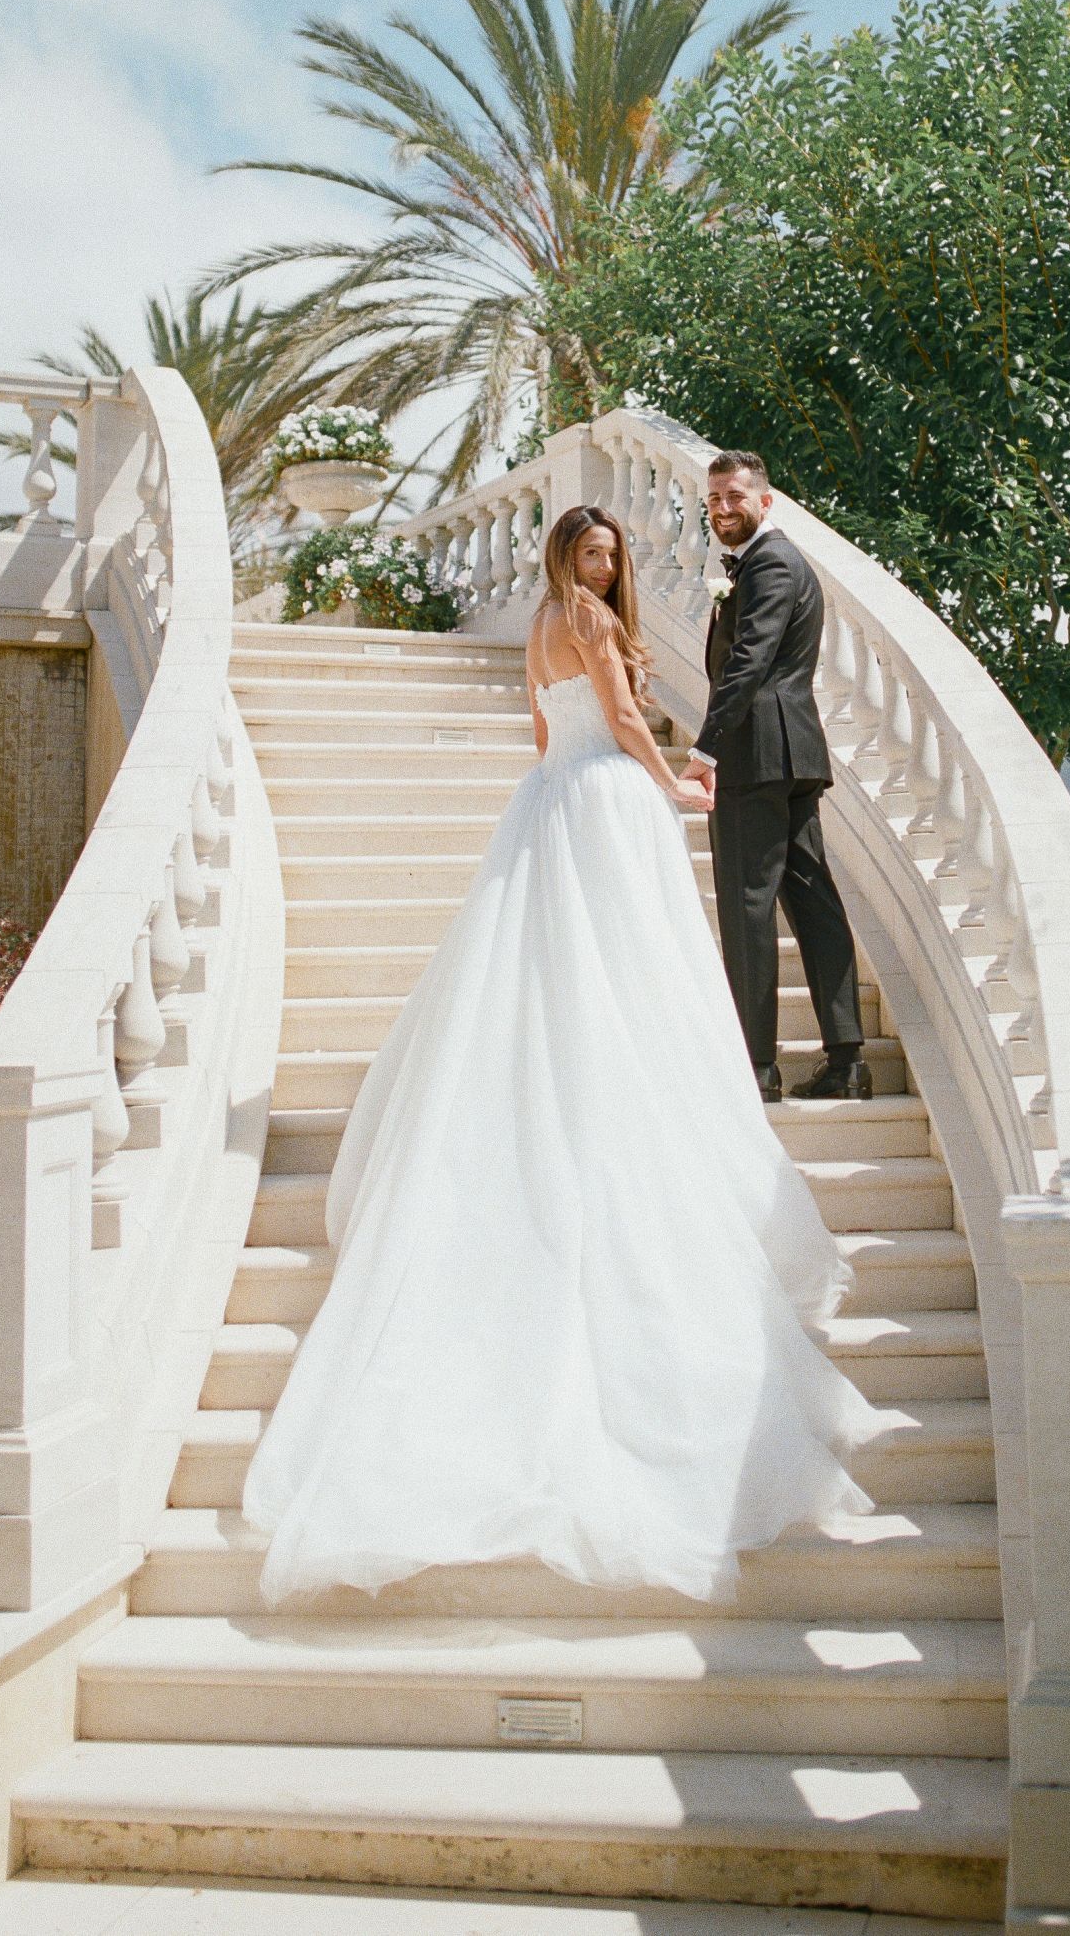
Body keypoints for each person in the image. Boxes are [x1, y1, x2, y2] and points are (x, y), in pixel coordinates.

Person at [241, 504, 890, 1607]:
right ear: (567, 558)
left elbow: (545, 735)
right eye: (597, 551)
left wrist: (604, 765)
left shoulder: (543, 622)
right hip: (602, 802)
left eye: (614, 553)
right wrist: (674, 782)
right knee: (628, 972)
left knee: (556, 970)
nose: (610, 565)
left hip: (549, 802)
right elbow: (627, 722)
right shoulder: (585, 616)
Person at [680, 452, 871, 1106]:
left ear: (767, 500)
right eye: (713, 499)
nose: (722, 508)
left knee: (747, 908)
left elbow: (750, 660)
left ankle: (757, 1067)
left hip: (754, 756)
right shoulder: (768, 562)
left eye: (734, 495)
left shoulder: (770, 562)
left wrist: (705, 748)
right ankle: (847, 1062)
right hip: (792, 758)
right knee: (813, 901)